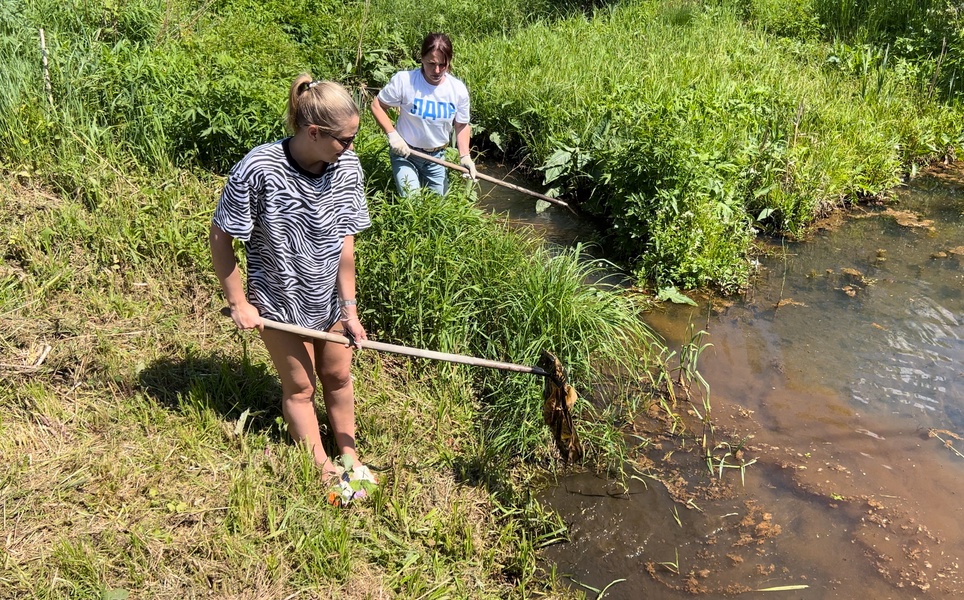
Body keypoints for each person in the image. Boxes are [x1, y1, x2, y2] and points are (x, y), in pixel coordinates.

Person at [210, 74, 373, 485]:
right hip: (280, 300)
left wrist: (350, 310)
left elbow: (346, 244)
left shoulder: (347, 167)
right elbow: (221, 235)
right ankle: (322, 471)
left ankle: (349, 456)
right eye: (345, 139)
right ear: (314, 131)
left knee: (337, 376)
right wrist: (239, 303)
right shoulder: (260, 168)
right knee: (300, 387)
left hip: (329, 298)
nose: (351, 148)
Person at [371, 32, 477, 196]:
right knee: (412, 202)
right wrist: (392, 135)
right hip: (406, 153)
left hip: (436, 157)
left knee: (436, 208)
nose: (437, 70)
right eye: (431, 63)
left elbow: (462, 124)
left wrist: (465, 156)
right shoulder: (405, 81)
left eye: (443, 64)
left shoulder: (457, 90)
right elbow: (377, 105)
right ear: (421, 58)